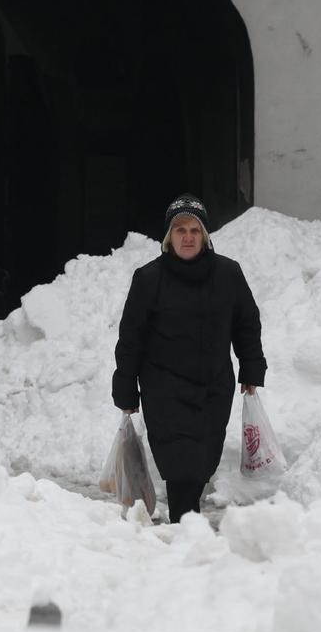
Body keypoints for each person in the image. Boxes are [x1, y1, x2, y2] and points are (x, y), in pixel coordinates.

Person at [112, 194, 266, 523]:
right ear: (169, 236)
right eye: (180, 230)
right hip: (163, 389)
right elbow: (131, 339)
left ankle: (186, 520)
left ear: (205, 236)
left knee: (202, 463)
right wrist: (126, 389)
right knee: (180, 465)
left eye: (194, 230)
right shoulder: (148, 279)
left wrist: (251, 368)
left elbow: (246, 324)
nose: (187, 237)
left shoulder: (228, 274)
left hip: (213, 388)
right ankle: (185, 528)